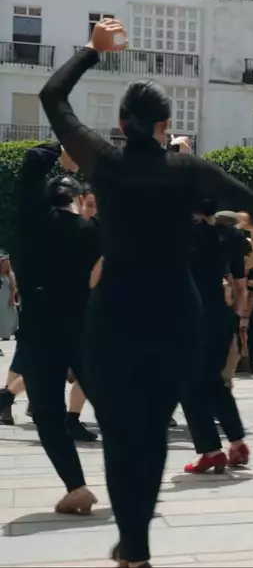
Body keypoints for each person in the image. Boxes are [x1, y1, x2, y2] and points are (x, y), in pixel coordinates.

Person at [40, 18, 253, 567]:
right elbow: (245, 199)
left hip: (114, 312)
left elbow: (53, 96)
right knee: (155, 428)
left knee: (118, 429)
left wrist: (93, 48)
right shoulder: (187, 170)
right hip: (175, 313)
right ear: (165, 125)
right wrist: (212, 215)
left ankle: (131, 544)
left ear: (120, 123)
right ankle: (136, 540)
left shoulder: (104, 164)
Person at [8, 143, 101, 516]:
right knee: (109, 403)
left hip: (39, 331)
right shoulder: (90, 230)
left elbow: (30, 167)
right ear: (76, 201)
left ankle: (76, 487)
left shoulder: (32, 222)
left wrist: (61, 148)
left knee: (47, 414)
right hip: (83, 329)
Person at [179, 200, 250, 474]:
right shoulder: (230, 236)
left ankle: (211, 451)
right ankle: (237, 441)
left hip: (190, 318)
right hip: (220, 317)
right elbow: (240, 284)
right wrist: (235, 316)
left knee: (189, 385)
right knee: (214, 382)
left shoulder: (182, 234)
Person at [0, 254, 17, 341]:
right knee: (1, 316)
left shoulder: (10, 274)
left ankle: (8, 333)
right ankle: (2, 332)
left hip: (7, 297)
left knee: (8, 315)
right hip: (1, 297)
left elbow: (13, 288)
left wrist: (11, 298)